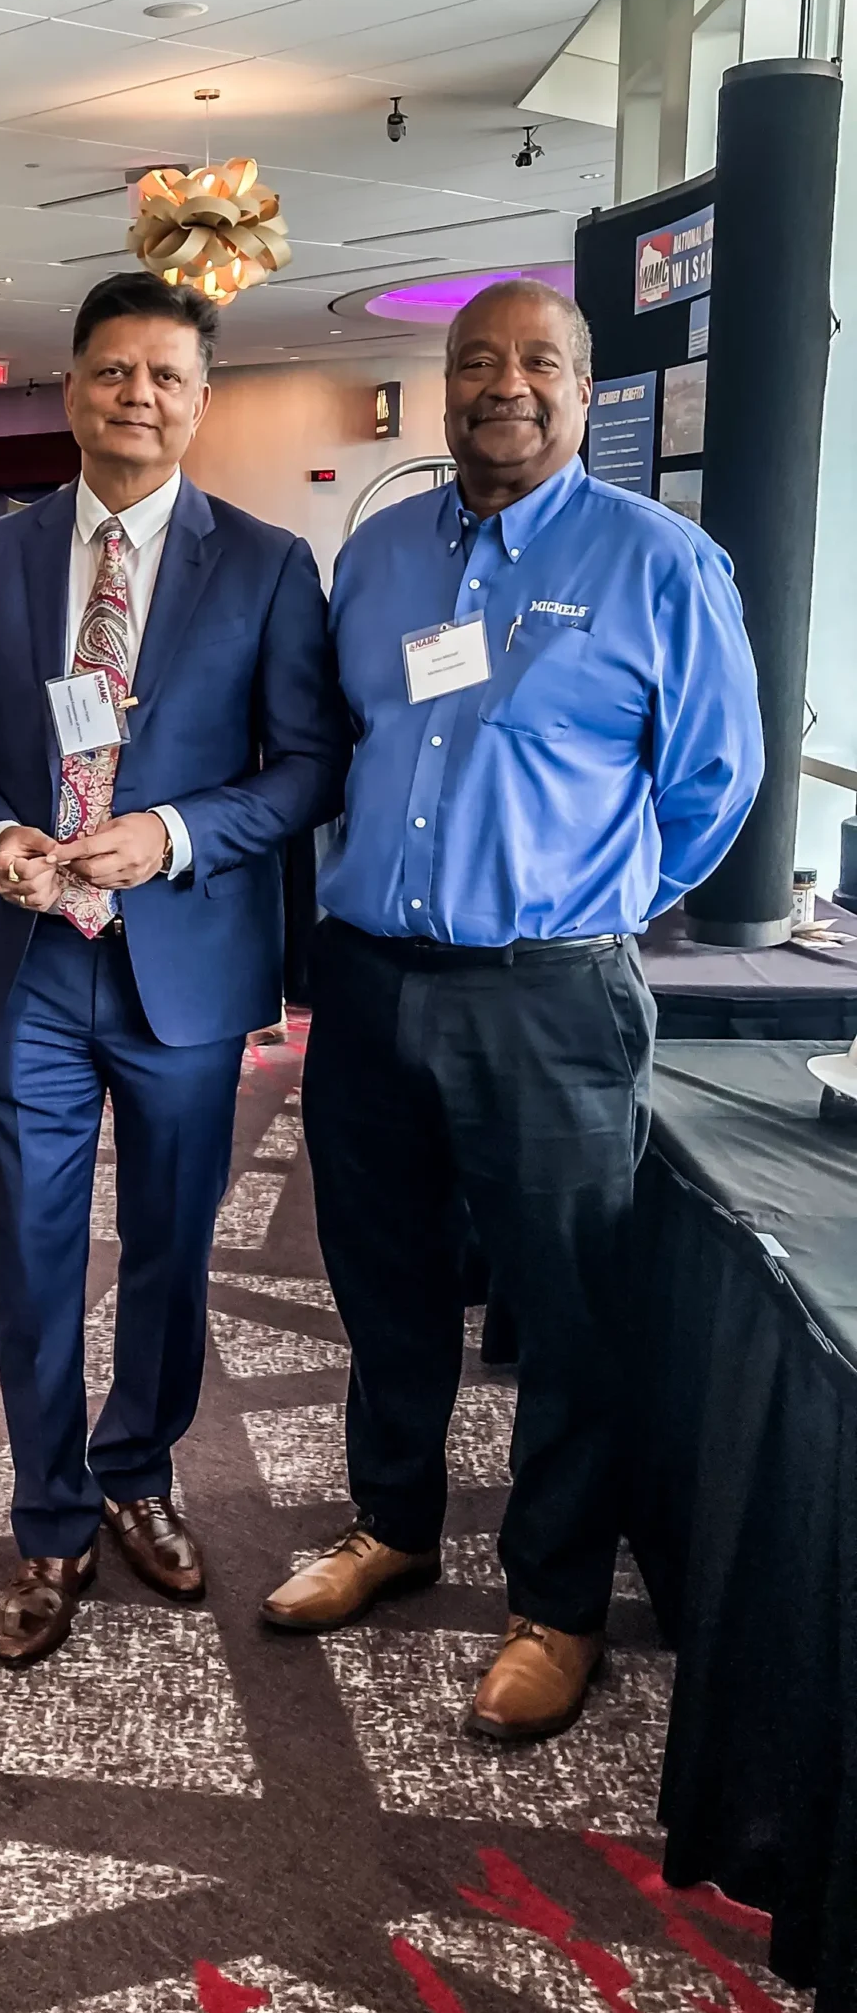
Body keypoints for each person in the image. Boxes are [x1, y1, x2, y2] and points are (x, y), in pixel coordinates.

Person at [262, 279, 762, 1743]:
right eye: (477, 360)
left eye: (539, 361)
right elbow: (352, 743)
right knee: (382, 1275)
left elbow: (711, 789)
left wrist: (583, 901)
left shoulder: (660, 561)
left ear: (586, 386)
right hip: (368, 982)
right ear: (443, 385)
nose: (506, 384)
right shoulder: (382, 556)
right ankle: (394, 1526)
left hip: (549, 998)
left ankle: (555, 1604)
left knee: (568, 1308)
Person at [0, 272, 345, 1667]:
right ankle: (50, 1516)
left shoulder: (270, 566)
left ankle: (138, 1475)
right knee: (31, 1252)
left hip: (189, 971)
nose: (136, 396)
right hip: (35, 960)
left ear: (201, 398)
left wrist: (174, 833)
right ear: (73, 386)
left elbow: (306, 767)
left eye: (165, 375)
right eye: (112, 371)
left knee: (167, 1248)